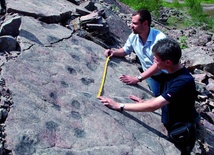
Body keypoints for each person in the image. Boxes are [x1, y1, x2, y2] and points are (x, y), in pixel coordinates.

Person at [99, 38, 201, 155]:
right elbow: (165, 98)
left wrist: (118, 105)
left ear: (167, 62)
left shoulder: (182, 81)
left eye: (156, 60)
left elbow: (154, 106)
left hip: (181, 130)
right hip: (172, 123)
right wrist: (145, 101)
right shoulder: (172, 72)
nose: (154, 61)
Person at [104, 9, 167, 97]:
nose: (131, 26)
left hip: (165, 74)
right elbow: (125, 50)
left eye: (134, 23)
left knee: (167, 98)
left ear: (145, 23)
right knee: (155, 96)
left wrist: (137, 79)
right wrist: (113, 52)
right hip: (150, 75)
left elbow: (159, 65)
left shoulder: (159, 39)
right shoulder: (134, 36)